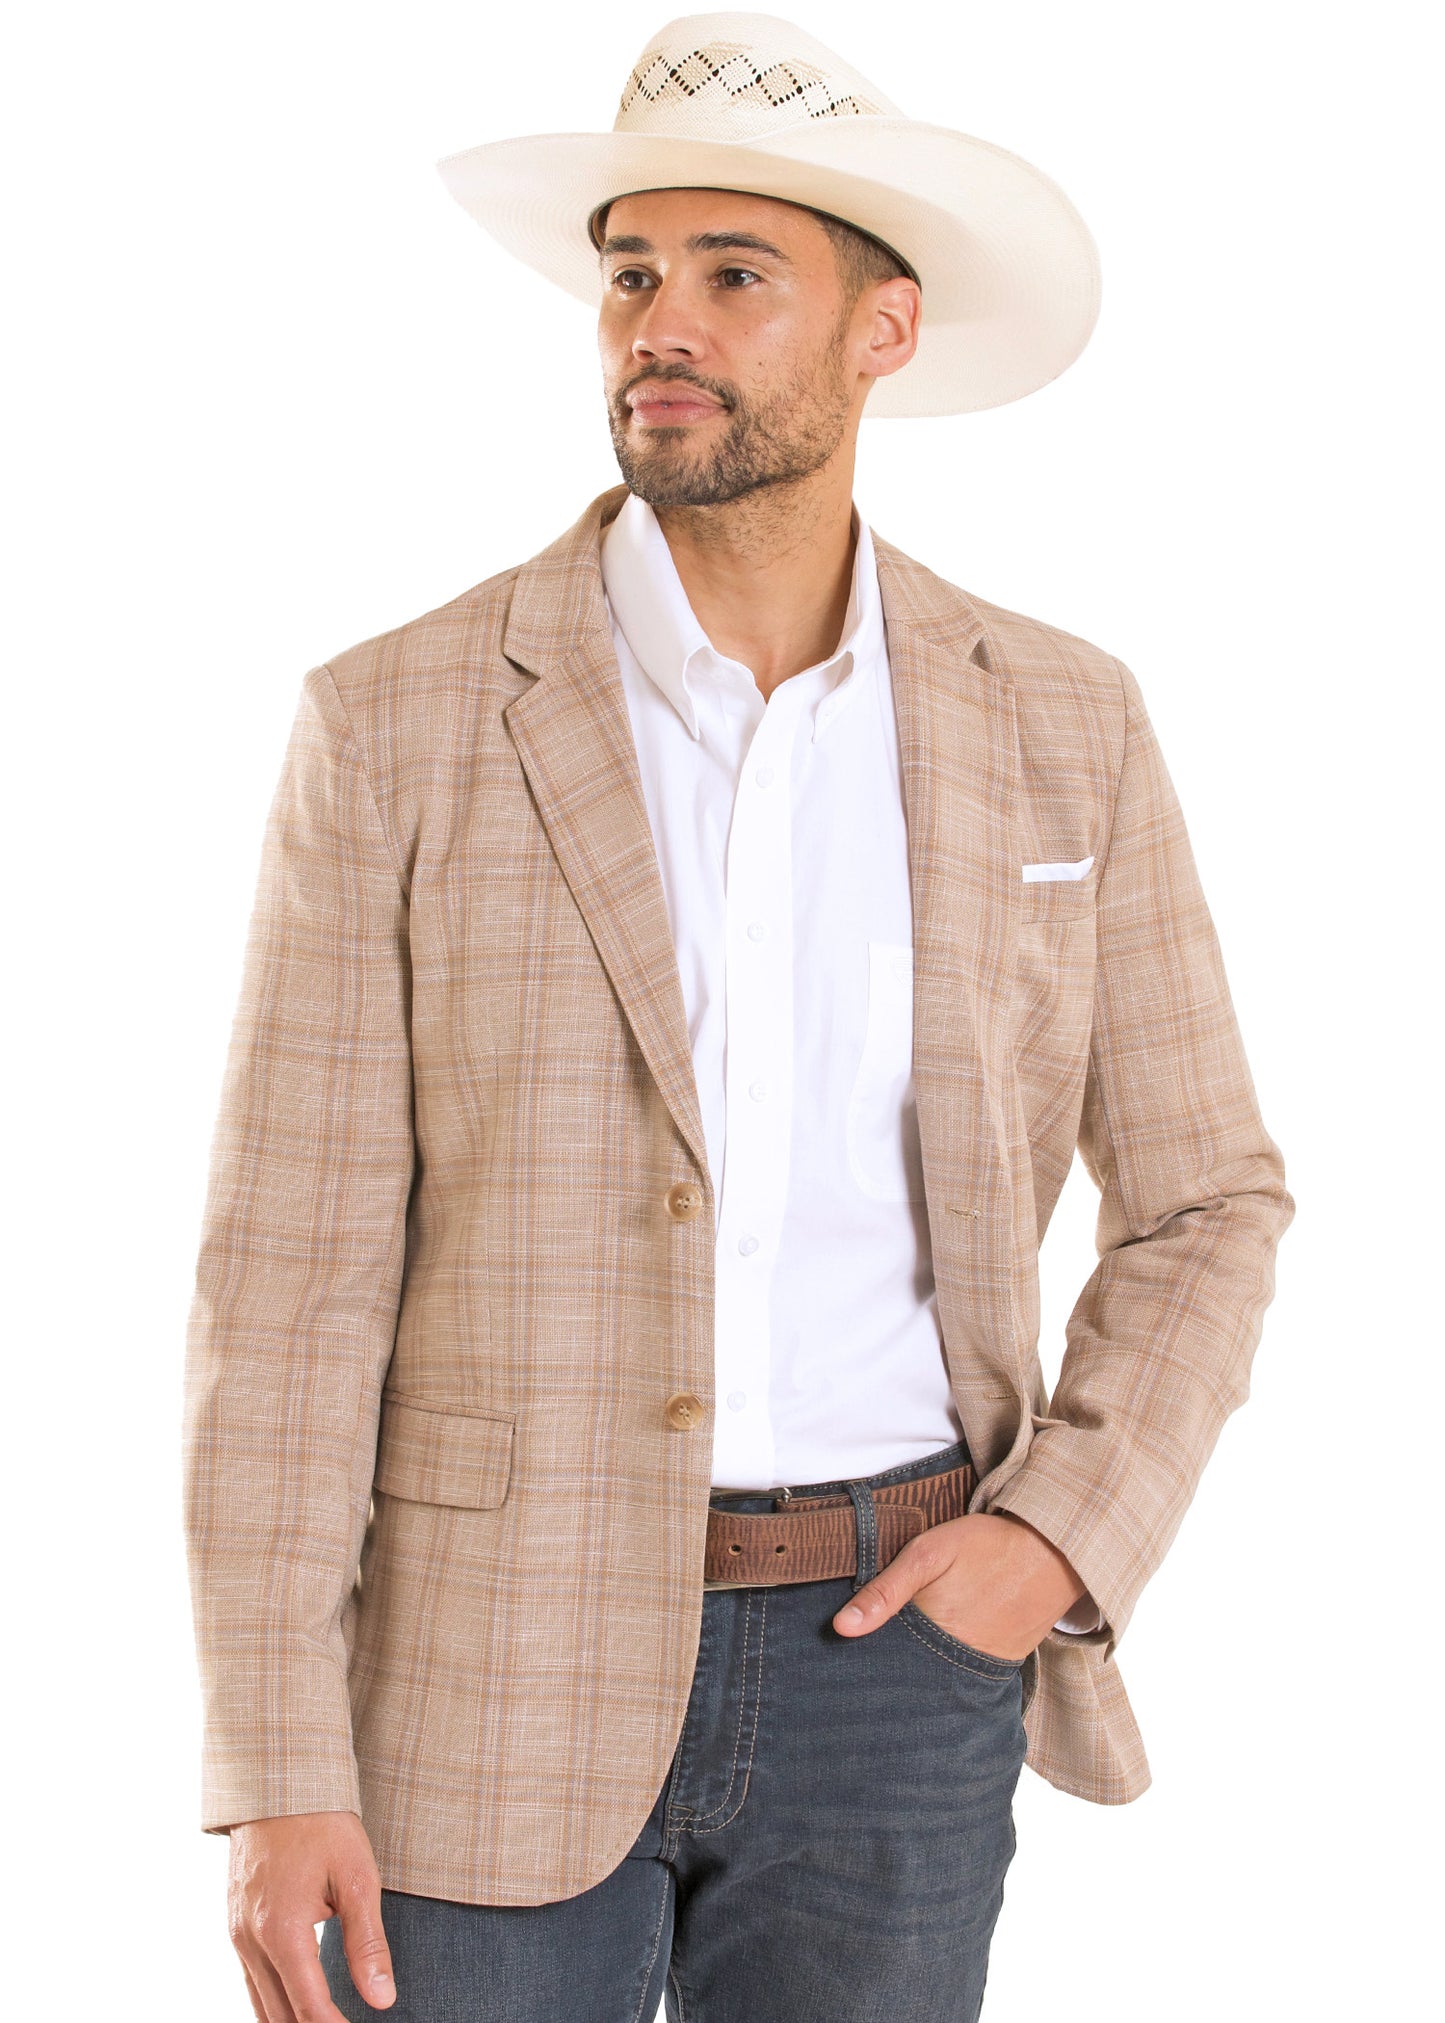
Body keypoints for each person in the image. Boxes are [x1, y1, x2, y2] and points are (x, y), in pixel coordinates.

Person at [181, 13, 1294, 2022]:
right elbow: (288, 1282)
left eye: (733, 276)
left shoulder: (1062, 724)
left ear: (887, 332)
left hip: (901, 1671)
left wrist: (1055, 1537)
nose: (657, 327)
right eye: (628, 276)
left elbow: (1209, 1196)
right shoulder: (398, 724)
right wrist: (273, 1763)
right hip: (482, 1671)